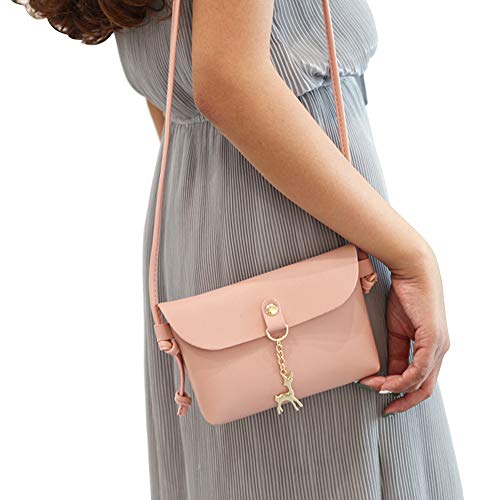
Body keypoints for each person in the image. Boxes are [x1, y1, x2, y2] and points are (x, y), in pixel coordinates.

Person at [17, 0, 464, 498]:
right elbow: (230, 82)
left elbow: (170, 87)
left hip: (198, 227)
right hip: (304, 236)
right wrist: (413, 258)